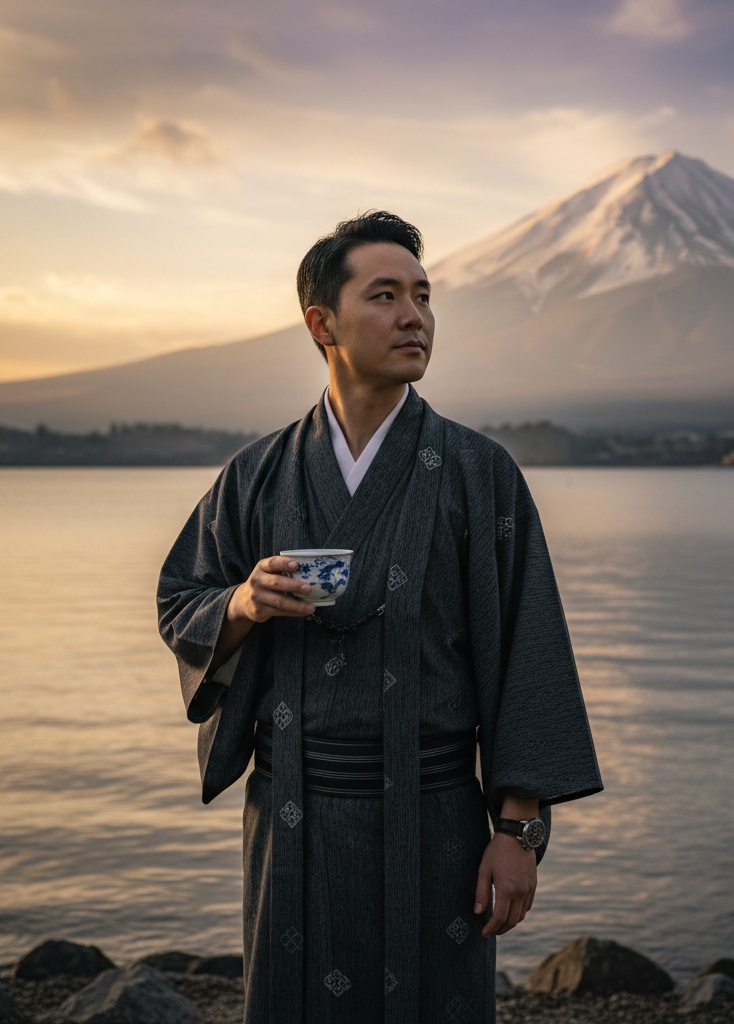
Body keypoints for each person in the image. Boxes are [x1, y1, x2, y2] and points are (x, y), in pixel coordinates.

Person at [157, 211, 602, 1024]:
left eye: (425, 297)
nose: (415, 317)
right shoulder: (256, 476)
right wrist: (244, 604)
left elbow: (525, 653)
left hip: (435, 819)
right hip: (292, 812)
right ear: (320, 323)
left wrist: (518, 833)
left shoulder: (479, 473)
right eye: (387, 295)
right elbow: (180, 600)